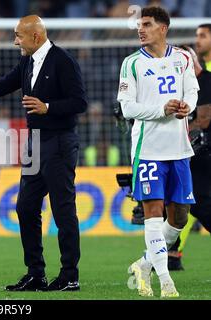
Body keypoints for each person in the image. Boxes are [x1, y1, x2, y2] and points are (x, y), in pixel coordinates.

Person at [0, 15, 87, 291]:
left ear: (35, 36)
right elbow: (2, 85)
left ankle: (70, 274)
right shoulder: (28, 61)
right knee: (26, 207)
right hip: (34, 143)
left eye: (19, 36)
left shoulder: (63, 60)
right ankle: (36, 273)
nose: (14, 41)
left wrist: (48, 107)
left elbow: (79, 101)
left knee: (62, 208)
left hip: (59, 143)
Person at [117, 7, 199, 298]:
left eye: (147, 24)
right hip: (148, 149)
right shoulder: (132, 64)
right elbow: (127, 108)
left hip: (179, 149)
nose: (141, 29)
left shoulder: (183, 57)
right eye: (140, 25)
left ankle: (143, 264)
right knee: (153, 213)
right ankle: (165, 281)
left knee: (180, 217)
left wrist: (187, 105)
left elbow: (192, 90)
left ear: (163, 28)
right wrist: (161, 110)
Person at [167, 37, 211, 269]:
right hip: (188, 153)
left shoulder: (206, 82)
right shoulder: (184, 86)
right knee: (177, 202)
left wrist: (174, 126)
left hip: (204, 155)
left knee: (200, 203)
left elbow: (203, 121)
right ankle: (170, 257)